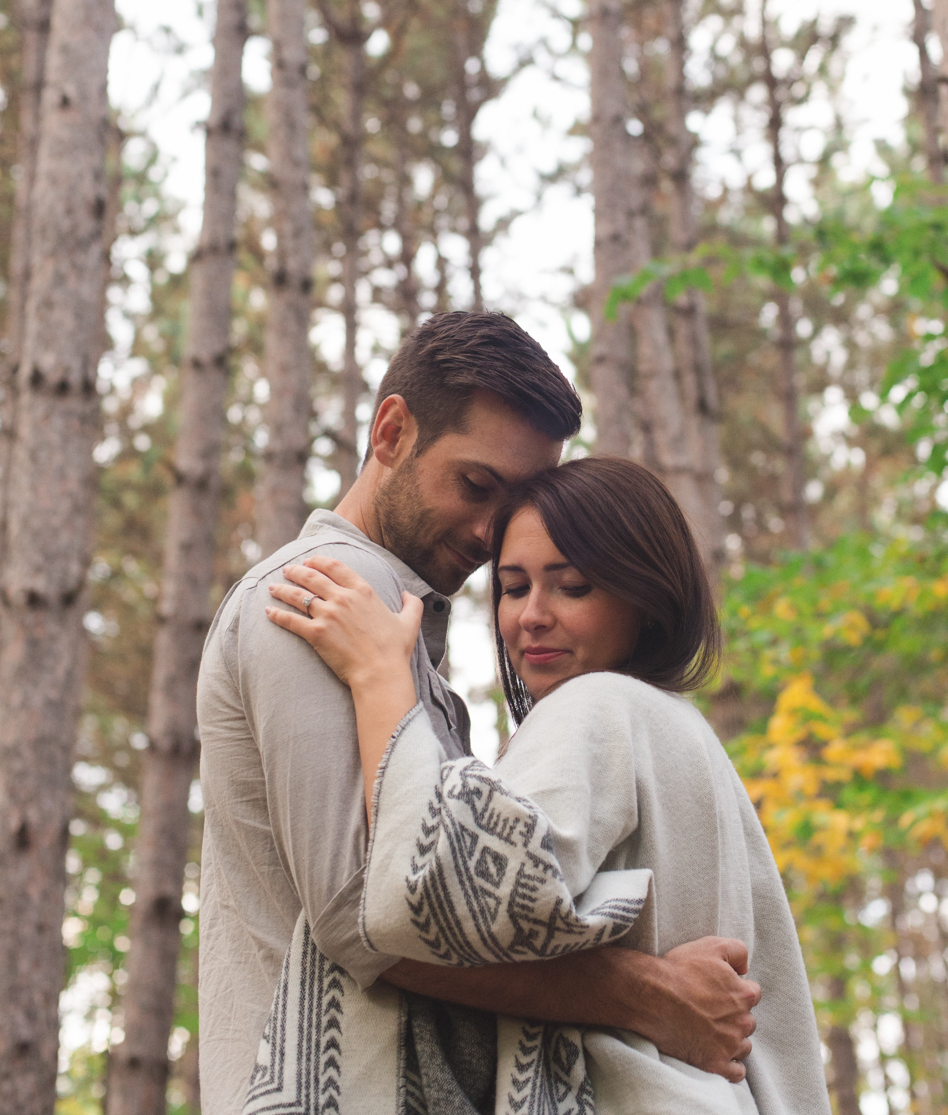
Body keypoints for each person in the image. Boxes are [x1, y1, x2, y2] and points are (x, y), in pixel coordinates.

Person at [196, 313, 761, 1115]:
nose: (492, 533)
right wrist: (647, 992)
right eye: (476, 486)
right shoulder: (319, 597)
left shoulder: (395, 636)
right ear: (391, 430)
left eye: (514, 501)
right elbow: (370, 920)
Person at [260, 456, 831, 1115]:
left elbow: (433, 895)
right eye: (512, 586)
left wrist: (379, 675)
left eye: (572, 587)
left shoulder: (597, 705)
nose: (530, 616)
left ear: (643, 597)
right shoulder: (682, 733)